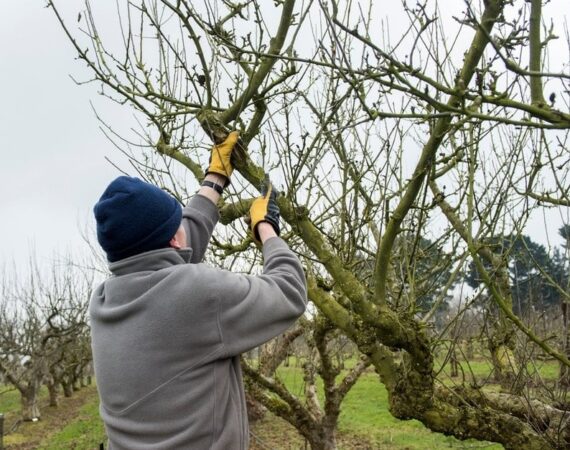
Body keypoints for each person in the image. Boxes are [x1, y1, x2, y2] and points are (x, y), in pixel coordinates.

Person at [90, 132, 307, 450]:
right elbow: (289, 291)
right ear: (173, 241)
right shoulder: (197, 294)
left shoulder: (104, 301)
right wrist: (267, 230)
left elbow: (175, 242)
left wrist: (216, 177)